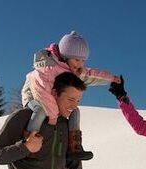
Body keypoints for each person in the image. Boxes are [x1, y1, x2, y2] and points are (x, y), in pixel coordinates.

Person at [21, 30, 120, 161]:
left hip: (53, 97)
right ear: (65, 56)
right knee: (40, 111)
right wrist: (53, 116)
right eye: (77, 59)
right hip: (33, 95)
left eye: (83, 60)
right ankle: (29, 143)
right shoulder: (48, 68)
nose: (79, 64)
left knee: (75, 111)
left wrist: (111, 78)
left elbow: (90, 75)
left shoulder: (71, 69)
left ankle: (74, 147)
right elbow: (43, 94)